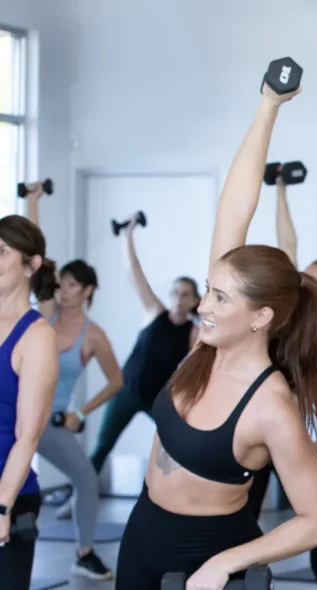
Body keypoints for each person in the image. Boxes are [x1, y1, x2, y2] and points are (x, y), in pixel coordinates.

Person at [112, 71, 317, 589]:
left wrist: (225, 564)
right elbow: (233, 208)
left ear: (260, 316)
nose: (204, 305)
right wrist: (267, 107)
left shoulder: (270, 406)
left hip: (204, 559)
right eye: (208, 289)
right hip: (141, 535)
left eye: (220, 297)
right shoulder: (207, 346)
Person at [239, 173, 317, 590]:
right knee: (243, 514)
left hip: (298, 443)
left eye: (311, 277)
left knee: (316, 526)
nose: (300, 279)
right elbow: (285, 246)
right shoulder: (290, 319)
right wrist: (279, 190)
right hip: (268, 437)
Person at [21, 187, 124, 579]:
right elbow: (36, 260)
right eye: (61, 282)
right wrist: (35, 203)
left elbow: (117, 381)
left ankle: (84, 552)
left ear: (87, 291)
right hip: (14, 411)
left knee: (84, 477)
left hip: (49, 423)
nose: (63, 290)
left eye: (72, 285)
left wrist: (81, 412)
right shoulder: (45, 312)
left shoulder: (93, 335)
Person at [86, 214, 200, 480]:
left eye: (185, 295)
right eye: (174, 292)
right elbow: (134, 271)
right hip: (125, 391)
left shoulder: (194, 332)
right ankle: (78, 497)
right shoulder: (154, 312)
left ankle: (176, 493)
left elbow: (203, 358)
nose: (178, 299)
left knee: (179, 442)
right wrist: (128, 234)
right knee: (103, 446)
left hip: (155, 398)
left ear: (195, 299)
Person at [0, 214, 58, 588]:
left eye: (2, 252)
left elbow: (28, 435)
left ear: (31, 265)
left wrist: (2, 507)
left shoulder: (37, 336)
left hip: (9, 495)